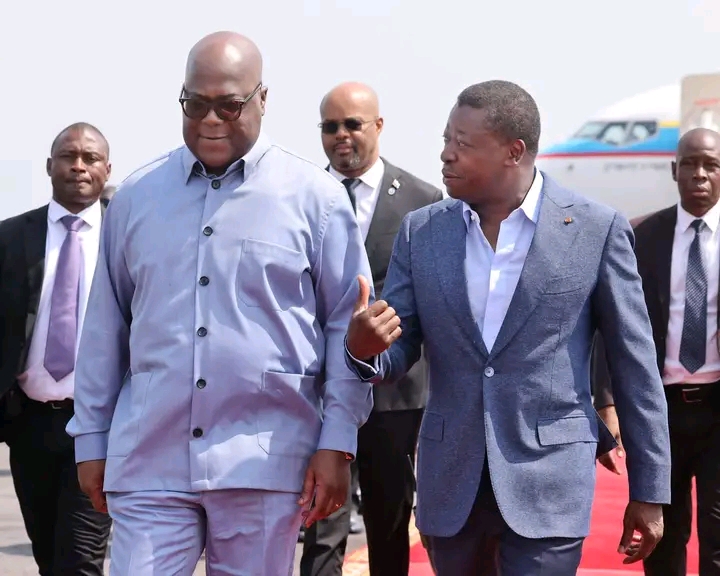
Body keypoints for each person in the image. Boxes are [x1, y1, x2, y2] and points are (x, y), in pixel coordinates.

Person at [65, 31, 374, 575]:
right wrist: (91, 438)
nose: (210, 120)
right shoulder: (136, 198)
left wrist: (337, 441)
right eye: (195, 104)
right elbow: (104, 330)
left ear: (262, 99)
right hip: (149, 458)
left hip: (265, 462)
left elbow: (342, 329)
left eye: (229, 105)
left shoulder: (317, 201)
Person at [344, 80, 672, 575]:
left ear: (513, 152)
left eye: (462, 143)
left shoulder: (596, 230)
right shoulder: (422, 231)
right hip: (451, 485)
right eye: (446, 140)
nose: (446, 154)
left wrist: (649, 492)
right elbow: (399, 347)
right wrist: (363, 349)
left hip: (549, 485)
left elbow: (635, 368)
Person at [301, 82, 442, 576]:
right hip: (319, 388)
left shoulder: (423, 200)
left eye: (352, 124)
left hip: (394, 392)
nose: (341, 135)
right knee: (321, 522)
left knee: (388, 521)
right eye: (330, 126)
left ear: (378, 126)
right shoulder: (301, 196)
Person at [593, 128, 720, 575]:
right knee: (661, 538)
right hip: (657, 412)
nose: (699, 175)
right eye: (689, 164)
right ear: (673, 170)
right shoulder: (640, 236)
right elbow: (609, 325)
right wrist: (607, 402)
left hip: (718, 407)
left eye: (711, 165)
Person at [0, 123, 113, 575]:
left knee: (81, 558)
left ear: (107, 169)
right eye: (69, 156)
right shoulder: (11, 237)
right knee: (48, 554)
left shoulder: (127, 236)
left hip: (100, 425)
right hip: (29, 423)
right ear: (50, 166)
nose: (79, 166)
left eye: (91, 157)